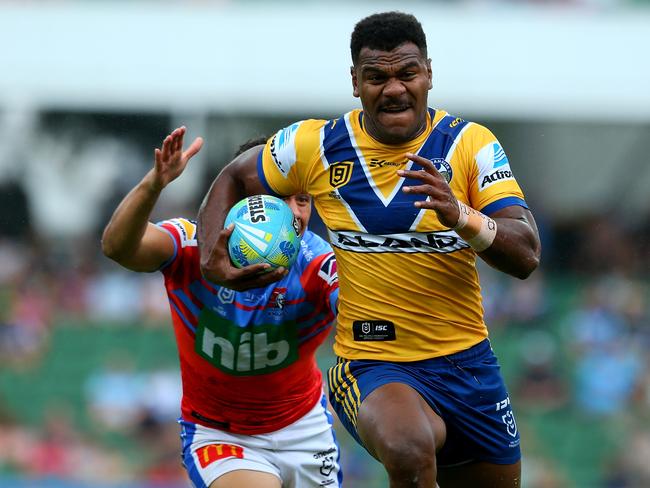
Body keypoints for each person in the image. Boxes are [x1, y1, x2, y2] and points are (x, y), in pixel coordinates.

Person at [197, 11, 541, 488]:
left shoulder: (469, 144)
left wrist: (459, 215)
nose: (394, 88)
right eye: (376, 76)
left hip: (470, 366)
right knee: (407, 449)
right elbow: (237, 173)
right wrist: (207, 258)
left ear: (429, 75)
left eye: (407, 73)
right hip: (372, 363)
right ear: (355, 83)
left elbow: (525, 255)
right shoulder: (314, 145)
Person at [101, 127, 342, 488]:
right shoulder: (189, 247)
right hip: (221, 435)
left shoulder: (317, 263)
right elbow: (117, 247)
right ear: (242, 197)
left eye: (303, 200)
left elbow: (361, 309)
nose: (295, 214)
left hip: (304, 428)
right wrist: (155, 184)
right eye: (280, 197)